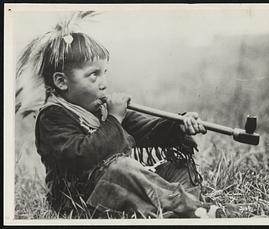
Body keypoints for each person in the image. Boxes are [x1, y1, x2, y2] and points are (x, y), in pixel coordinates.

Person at [16, 12, 224, 218]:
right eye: (93, 75)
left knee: (175, 167)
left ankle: (175, 209)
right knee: (122, 168)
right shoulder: (51, 117)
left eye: (104, 72)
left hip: (115, 189)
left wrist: (179, 124)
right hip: (81, 203)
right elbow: (82, 156)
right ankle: (187, 207)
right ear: (62, 82)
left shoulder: (100, 110)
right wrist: (115, 119)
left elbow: (148, 130)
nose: (104, 83)